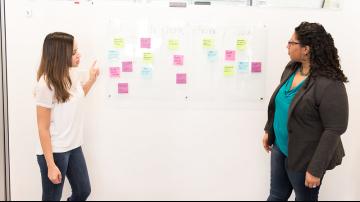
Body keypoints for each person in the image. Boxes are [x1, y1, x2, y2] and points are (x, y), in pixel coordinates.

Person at [263, 22, 349, 201]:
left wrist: (315, 169)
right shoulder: (292, 68)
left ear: (306, 49)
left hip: (307, 157)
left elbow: (334, 129)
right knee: (276, 195)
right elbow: (279, 105)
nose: (287, 45)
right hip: (280, 147)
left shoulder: (330, 83)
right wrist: (269, 131)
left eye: (292, 42)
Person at [36, 32, 100, 201]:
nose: (79, 55)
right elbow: (43, 128)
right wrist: (50, 164)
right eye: (73, 52)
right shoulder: (45, 84)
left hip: (74, 146)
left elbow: (75, 99)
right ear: (59, 54)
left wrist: (91, 80)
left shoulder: (71, 74)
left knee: (83, 191)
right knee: (52, 198)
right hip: (55, 150)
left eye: (77, 50)